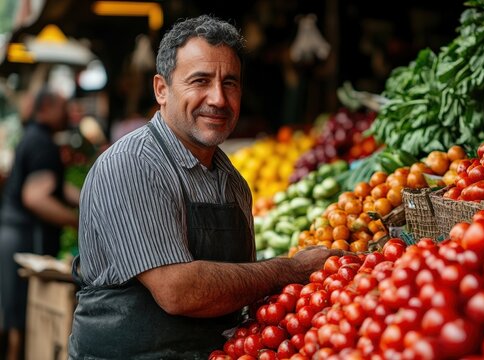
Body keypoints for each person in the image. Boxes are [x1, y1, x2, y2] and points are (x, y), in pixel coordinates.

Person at [67, 15, 344, 359]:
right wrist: (291, 270)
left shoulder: (233, 183)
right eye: (200, 81)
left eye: (230, 83)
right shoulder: (133, 164)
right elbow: (177, 291)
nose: (218, 98)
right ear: (161, 89)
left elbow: (239, 289)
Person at [0, 89, 80, 360]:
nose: (69, 114)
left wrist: (90, 199)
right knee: (20, 321)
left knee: (16, 317)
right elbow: (36, 197)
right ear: (46, 108)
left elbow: (53, 186)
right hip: (25, 238)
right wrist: (77, 222)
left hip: (14, 233)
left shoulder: (35, 137)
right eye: (64, 107)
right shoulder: (41, 143)